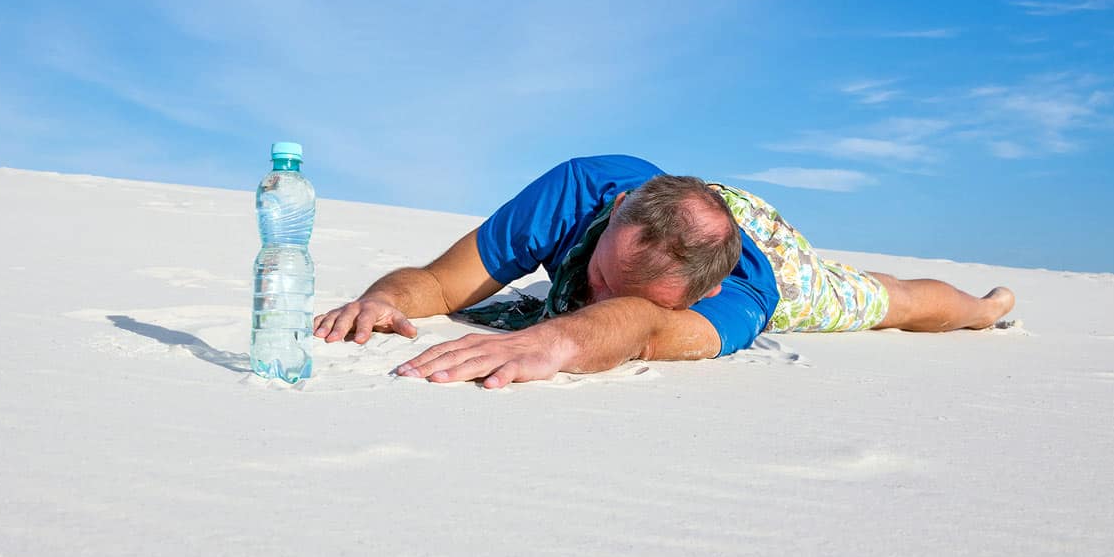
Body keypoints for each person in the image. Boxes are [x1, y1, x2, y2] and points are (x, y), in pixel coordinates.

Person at [313, 155, 1015, 388]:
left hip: (768, 261)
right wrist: (381, 297)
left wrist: (557, 341)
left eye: (615, 295)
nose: (588, 294)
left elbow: (645, 329)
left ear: (701, 296)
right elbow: (439, 283)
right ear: (614, 211)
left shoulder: (735, 297)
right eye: (598, 272)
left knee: (881, 298)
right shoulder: (587, 188)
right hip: (687, 205)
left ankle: (983, 306)